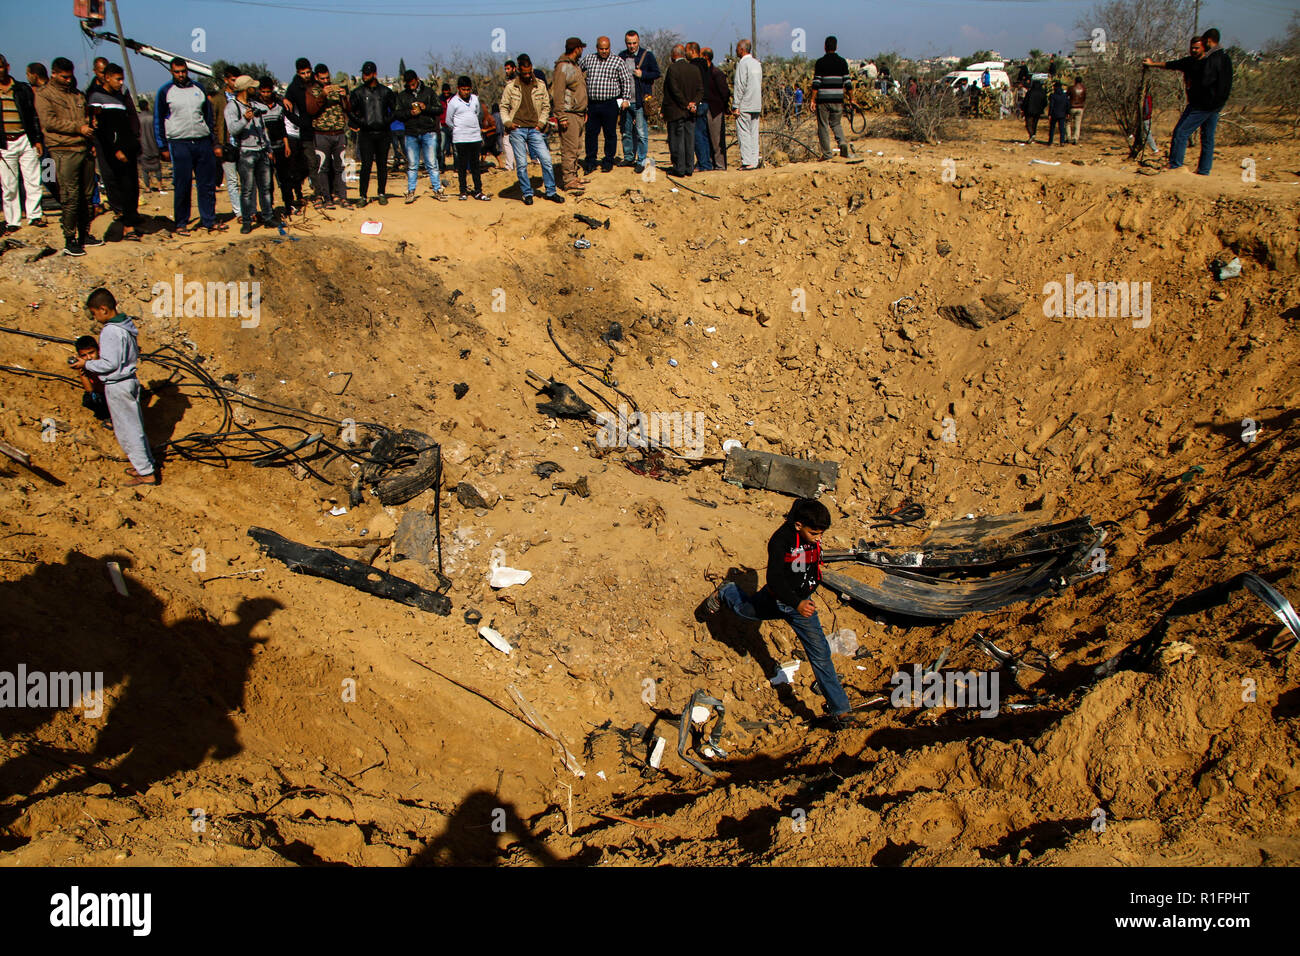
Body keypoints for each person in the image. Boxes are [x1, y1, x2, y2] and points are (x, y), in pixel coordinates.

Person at [703, 498, 854, 727]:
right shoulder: (780, 541)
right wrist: (795, 601)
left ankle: (841, 710)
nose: (818, 538)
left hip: (802, 607)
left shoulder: (810, 538)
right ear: (798, 525)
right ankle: (728, 590)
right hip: (776, 601)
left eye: (821, 533)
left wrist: (805, 596)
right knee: (745, 611)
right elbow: (774, 578)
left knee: (820, 654)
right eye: (814, 532)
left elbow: (809, 566)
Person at [73, 288, 157, 487]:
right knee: (135, 427)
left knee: (128, 430)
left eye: (94, 313)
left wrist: (86, 364)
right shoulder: (126, 325)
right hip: (129, 381)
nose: (95, 318)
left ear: (103, 309)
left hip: (118, 385)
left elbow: (109, 364)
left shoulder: (110, 331)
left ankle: (146, 473)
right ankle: (145, 465)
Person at [34, 57, 98, 255]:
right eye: (64, 77)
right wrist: (78, 127)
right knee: (70, 196)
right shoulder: (45, 95)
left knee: (87, 196)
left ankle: (84, 234)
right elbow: (49, 122)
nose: (68, 80)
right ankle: (70, 239)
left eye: (70, 77)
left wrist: (91, 125)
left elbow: (84, 116)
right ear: (54, 74)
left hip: (83, 148)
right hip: (63, 150)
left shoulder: (77, 94)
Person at [154, 57, 222, 235]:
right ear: (171, 72)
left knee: (206, 184)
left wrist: (213, 141)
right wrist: (162, 146)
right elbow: (158, 120)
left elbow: (208, 117)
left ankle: (209, 220)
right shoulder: (165, 91)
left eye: (183, 71)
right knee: (182, 185)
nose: (181, 75)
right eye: (177, 72)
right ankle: (181, 223)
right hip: (179, 143)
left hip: (202, 142)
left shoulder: (198, 88)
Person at [1145, 32, 1228, 175]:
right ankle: (1203, 171)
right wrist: (1152, 64)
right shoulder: (1190, 62)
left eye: (1197, 48)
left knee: (1181, 132)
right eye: (1192, 48)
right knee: (1207, 137)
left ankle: (1175, 165)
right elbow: (1171, 64)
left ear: (1204, 46)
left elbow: (1215, 83)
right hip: (1205, 105)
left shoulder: (1210, 62)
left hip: (1203, 106)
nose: (1194, 50)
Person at [88, 63, 142, 241]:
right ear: (107, 78)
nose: (120, 83)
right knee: (121, 186)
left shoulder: (121, 97)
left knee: (132, 186)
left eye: (122, 79)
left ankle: (131, 217)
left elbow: (130, 118)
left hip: (127, 147)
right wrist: (115, 150)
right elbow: (102, 129)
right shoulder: (96, 97)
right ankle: (127, 225)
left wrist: (133, 141)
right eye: (118, 79)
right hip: (112, 150)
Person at [504, 54, 563, 205]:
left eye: (529, 72)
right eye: (524, 72)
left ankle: (551, 191)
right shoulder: (511, 87)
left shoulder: (540, 84)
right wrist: (508, 122)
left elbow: (546, 106)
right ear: (518, 70)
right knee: (522, 163)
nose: (527, 75)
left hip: (535, 128)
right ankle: (527, 193)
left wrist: (541, 123)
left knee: (546, 159)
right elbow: (503, 106)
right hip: (517, 129)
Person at [0, 53, 47, 232]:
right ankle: (13, 220)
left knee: (33, 180)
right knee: (9, 185)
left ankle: (35, 216)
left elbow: (33, 116)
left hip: (25, 140)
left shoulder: (22, 89)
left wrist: (37, 140)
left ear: (7, 67)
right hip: (5, 144)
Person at [226, 75, 277, 233]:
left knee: (266, 187)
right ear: (245, 89)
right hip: (246, 152)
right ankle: (247, 221)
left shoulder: (255, 104)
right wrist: (245, 119)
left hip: (261, 150)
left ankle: (268, 216)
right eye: (252, 87)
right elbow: (232, 129)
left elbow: (263, 129)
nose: (255, 89)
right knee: (247, 189)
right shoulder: (232, 107)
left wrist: (268, 149)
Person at [579, 36, 633, 174]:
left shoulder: (617, 61)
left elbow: (626, 80)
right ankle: (590, 161)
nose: (604, 51)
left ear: (610, 47)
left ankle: (608, 161)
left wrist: (625, 98)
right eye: (601, 48)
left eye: (606, 48)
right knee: (591, 133)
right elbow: (577, 71)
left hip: (610, 103)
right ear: (597, 48)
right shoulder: (589, 59)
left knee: (610, 134)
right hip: (592, 104)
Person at [395, 70, 445, 203]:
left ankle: (437, 189)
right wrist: (409, 113)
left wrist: (425, 107)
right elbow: (398, 113)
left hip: (428, 132)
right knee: (412, 164)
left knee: (432, 163)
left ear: (417, 80)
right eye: (408, 84)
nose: (411, 86)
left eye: (412, 83)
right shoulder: (402, 96)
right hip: (411, 133)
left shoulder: (428, 92)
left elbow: (439, 109)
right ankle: (411, 191)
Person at [349, 61, 395, 205]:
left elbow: (395, 110)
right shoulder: (358, 93)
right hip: (366, 134)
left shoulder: (386, 92)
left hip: (383, 133)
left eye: (367, 74)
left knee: (382, 165)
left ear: (375, 74)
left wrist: (385, 121)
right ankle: (363, 195)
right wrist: (361, 122)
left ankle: (381, 192)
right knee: (366, 165)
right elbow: (350, 111)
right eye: (363, 73)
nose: (364, 76)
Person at [618, 30, 659, 174]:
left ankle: (641, 160)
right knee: (626, 131)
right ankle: (629, 157)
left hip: (641, 101)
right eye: (629, 43)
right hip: (625, 101)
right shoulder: (621, 56)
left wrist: (643, 75)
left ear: (638, 41)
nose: (632, 46)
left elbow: (657, 73)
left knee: (641, 133)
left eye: (634, 43)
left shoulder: (647, 56)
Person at [308, 63, 349, 207]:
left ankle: (342, 196)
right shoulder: (313, 91)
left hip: (338, 133)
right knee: (322, 167)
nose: (326, 81)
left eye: (327, 78)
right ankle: (326, 197)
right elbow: (311, 110)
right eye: (322, 78)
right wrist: (323, 95)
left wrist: (345, 97)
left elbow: (347, 109)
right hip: (321, 134)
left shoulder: (336, 89)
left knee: (341, 167)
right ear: (316, 77)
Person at [551, 38, 588, 191]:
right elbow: (558, 93)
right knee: (569, 148)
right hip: (569, 113)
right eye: (581, 48)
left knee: (577, 147)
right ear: (577, 49)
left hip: (579, 113)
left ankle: (573, 175)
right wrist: (561, 115)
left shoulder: (575, 66)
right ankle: (568, 180)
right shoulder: (563, 67)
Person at [446, 75, 490, 201]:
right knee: (462, 166)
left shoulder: (475, 99)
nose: (466, 92)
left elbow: (476, 114)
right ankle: (463, 191)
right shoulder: (453, 102)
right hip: (460, 138)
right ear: (459, 89)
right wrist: (459, 128)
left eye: (468, 89)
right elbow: (449, 120)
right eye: (463, 89)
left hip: (474, 137)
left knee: (475, 165)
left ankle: (478, 191)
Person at [810, 36, 854, 159]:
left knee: (823, 126)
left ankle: (827, 154)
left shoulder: (820, 62)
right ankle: (842, 143)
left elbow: (816, 83)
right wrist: (852, 99)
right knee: (836, 124)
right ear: (836, 47)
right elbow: (848, 83)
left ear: (825, 47)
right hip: (838, 99)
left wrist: (813, 100)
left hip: (823, 100)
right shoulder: (842, 62)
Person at [257, 78, 296, 215]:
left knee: (284, 178)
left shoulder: (279, 106)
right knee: (267, 182)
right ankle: (269, 208)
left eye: (268, 92)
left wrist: (287, 146)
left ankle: (289, 204)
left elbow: (282, 128)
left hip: (280, 146)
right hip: (265, 149)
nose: (266, 94)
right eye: (263, 92)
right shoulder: (256, 106)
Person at [663, 44, 702, 176]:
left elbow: (674, 90)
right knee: (689, 140)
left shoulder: (672, 69)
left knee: (676, 140)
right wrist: (693, 103)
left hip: (676, 111)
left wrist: (685, 104)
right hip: (691, 112)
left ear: (673, 56)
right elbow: (700, 90)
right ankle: (689, 168)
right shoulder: (694, 69)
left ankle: (679, 168)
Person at [216, 65, 242, 220]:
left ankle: (248, 210)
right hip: (227, 145)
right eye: (233, 80)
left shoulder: (243, 98)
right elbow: (214, 123)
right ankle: (239, 212)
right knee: (232, 181)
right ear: (226, 80)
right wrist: (217, 144)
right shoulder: (219, 99)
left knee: (246, 179)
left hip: (243, 145)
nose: (235, 83)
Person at [732, 39, 761, 170]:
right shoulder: (757, 63)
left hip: (745, 104)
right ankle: (754, 161)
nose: (736, 50)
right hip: (756, 103)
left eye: (738, 48)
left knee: (744, 133)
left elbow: (740, 86)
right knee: (754, 133)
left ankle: (747, 161)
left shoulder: (742, 64)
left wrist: (736, 105)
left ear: (742, 49)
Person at [73, 335, 113, 428]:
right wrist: (81, 370)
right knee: (89, 400)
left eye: (91, 353)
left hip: (113, 393)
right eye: (84, 355)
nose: (89, 357)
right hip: (101, 395)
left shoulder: (106, 362)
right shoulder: (85, 365)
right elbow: (89, 389)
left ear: (98, 350)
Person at [684, 42, 713, 171]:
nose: (685, 53)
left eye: (686, 51)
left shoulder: (694, 66)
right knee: (703, 133)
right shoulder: (705, 65)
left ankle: (703, 164)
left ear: (692, 51)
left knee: (697, 135)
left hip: (697, 103)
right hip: (705, 102)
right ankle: (706, 162)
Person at [703, 48, 730, 171]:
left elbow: (725, 92)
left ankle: (720, 165)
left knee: (717, 140)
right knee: (708, 138)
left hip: (715, 110)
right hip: (707, 109)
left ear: (706, 58)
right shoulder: (705, 73)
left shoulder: (716, 73)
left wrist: (721, 107)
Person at [135, 95, 163, 192]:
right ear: (147, 106)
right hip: (154, 145)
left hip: (143, 146)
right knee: (157, 166)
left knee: (145, 169)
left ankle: (147, 187)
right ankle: (160, 186)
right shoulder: (153, 118)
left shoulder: (137, 119)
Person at [1022, 78, 1046, 143]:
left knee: (1028, 124)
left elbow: (1025, 102)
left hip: (1029, 111)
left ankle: (1031, 135)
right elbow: (1045, 102)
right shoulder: (1042, 92)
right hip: (1038, 111)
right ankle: (1033, 136)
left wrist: (1023, 109)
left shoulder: (1030, 92)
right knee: (1035, 124)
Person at [1046, 81, 1069, 146]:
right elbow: (1067, 104)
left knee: (1052, 128)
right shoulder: (1065, 95)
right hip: (1062, 114)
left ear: (1055, 87)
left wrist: (1049, 114)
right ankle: (1062, 141)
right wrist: (1067, 113)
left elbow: (1051, 105)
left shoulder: (1053, 95)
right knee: (1062, 129)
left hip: (1054, 114)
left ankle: (1050, 141)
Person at [1067, 75, 1086, 144]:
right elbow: (1084, 98)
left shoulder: (1071, 88)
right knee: (1078, 124)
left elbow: (1067, 97)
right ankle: (1075, 138)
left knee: (1068, 122)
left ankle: (1068, 137)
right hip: (1080, 107)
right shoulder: (1084, 89)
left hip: (1072, 107)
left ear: (1075, 81)